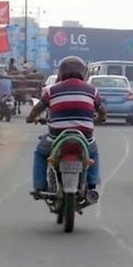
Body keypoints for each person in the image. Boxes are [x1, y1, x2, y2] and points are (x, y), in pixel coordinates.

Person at [26, 56, 106, 199]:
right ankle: (92, 185)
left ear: (61, 73)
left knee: (40, 153)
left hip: (56, 137)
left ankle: (39, 187)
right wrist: (100, 119)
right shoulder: (92, 90)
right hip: (85, 138)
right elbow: (102, 111)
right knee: (93, 153)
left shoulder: (52, 90)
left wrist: (31, 118)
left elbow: (37, 109)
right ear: (83, 73)